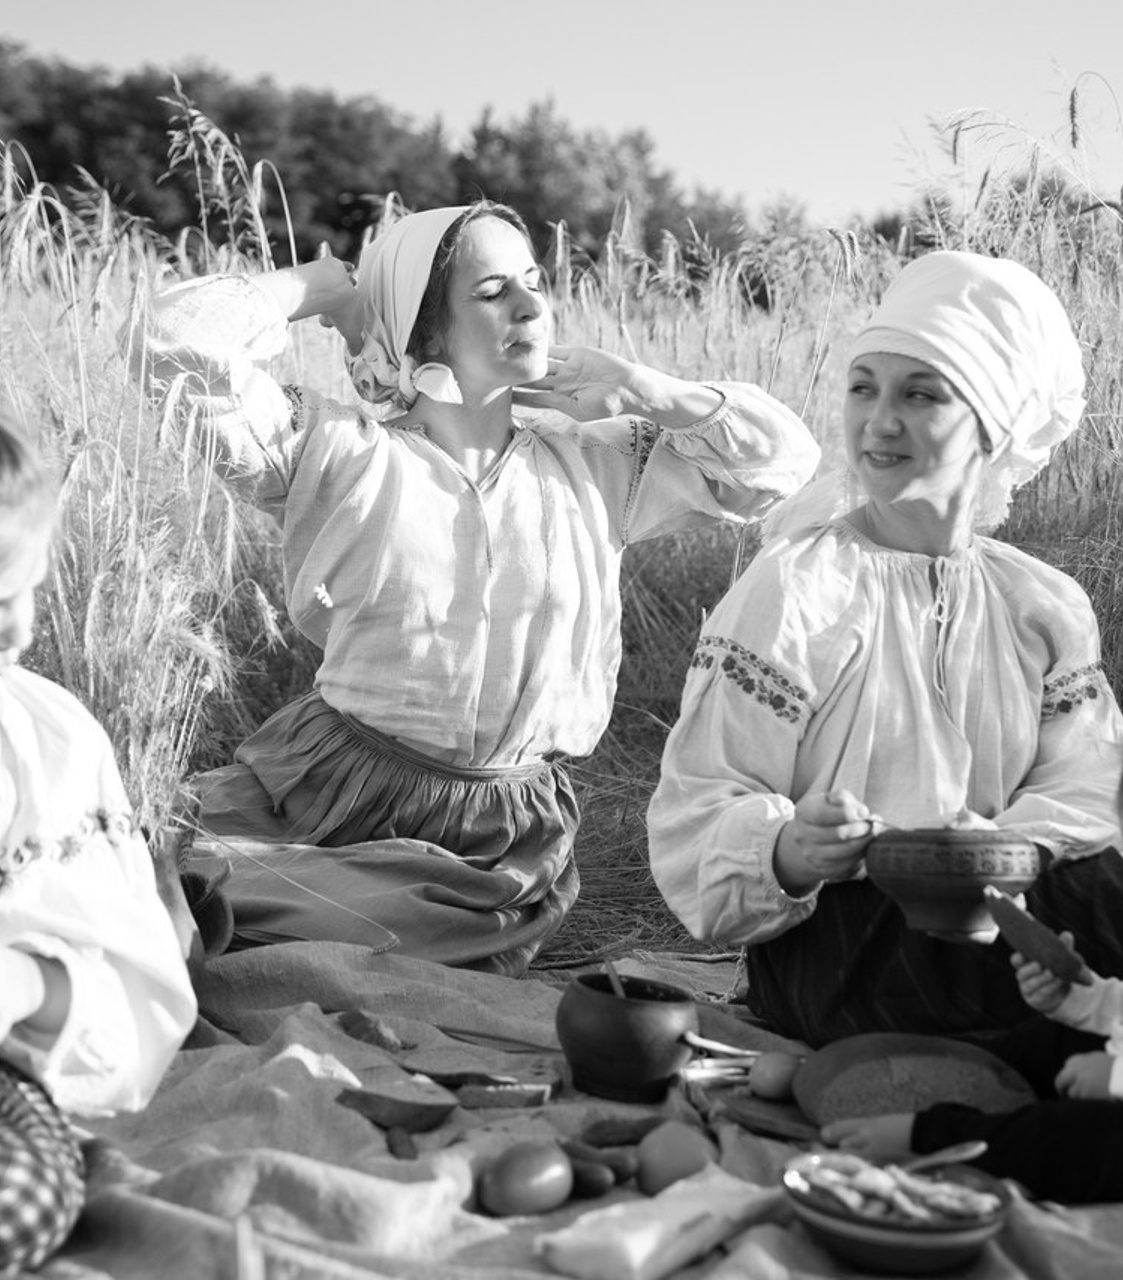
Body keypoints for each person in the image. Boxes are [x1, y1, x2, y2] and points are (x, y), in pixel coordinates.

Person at [126, 201, 820, 976]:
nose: (531, 306)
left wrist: (644, 388)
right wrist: (319, 287)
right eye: (491, 292)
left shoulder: (599, 466)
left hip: (499, 837)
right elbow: (166, 341)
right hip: (328, 789)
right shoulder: (338, 453)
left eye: (533, 282)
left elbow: (781, 464)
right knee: (119, 857)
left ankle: (221, 913)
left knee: (385, 942)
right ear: (422, 332)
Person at [648, 249, 1123, 1048]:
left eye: (920, 394)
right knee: (1121, 998)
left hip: (1008, 920)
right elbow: (696, 805)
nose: (879, 421)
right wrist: (790, 847)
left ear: (994, 425)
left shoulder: (1042, 603)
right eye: (863, 387)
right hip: (848, 946)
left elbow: (1097, 787)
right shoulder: (799, 587)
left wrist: (1003, 849)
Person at [0, 375, 198, 1271]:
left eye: (28, 588)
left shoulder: (32, 739)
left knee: (22, 1192)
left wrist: (23, 985)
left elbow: (133, 981)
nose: (20, 629)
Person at [822, 686, 1123, 1204]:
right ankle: (922, 1080)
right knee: (1044, 1040)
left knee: (1083, 1141)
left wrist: (1121, 1077)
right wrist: (1079, 999)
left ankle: (943, 1138)